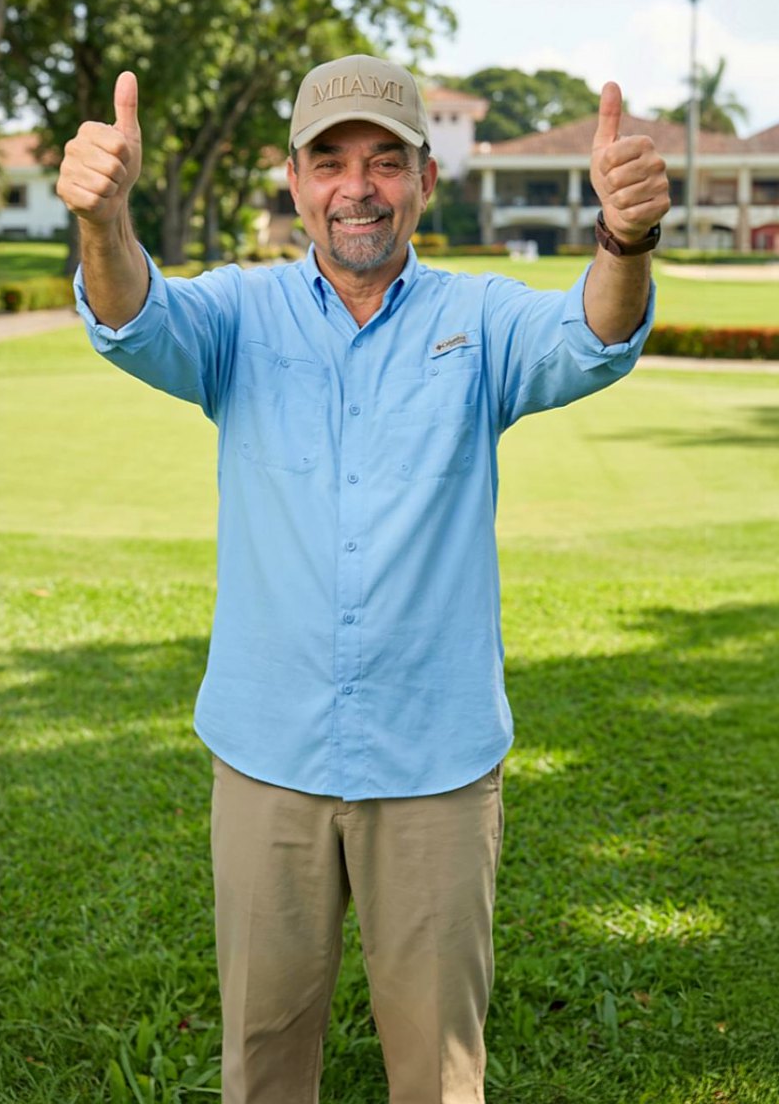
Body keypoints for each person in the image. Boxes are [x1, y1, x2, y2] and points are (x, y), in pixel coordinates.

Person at [58, 54, 670, 1104]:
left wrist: (624, 238)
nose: (359, 187)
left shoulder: (479, 320)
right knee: (263, 1062)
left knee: (437, 1071)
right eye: (331, 161)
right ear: (293, 182)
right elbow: (135, 319)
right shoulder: (241, 315)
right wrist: (105, 223)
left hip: (435, 763)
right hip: (269, 758)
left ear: (425, 182)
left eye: (387, 161)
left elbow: (593, 335)